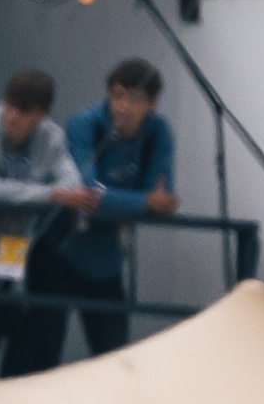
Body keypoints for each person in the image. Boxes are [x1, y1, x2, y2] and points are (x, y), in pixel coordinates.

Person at [0, 66, 98, 378]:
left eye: (24, 110)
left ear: (41, 115)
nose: (12, 115)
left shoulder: (51, 136)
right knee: (16, 325)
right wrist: (52, 196)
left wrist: (53, 196)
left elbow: (72, 183)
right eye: (10, 104)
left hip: (10, 242)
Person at [53, 57, 180, 354]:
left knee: (113, 354)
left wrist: (133, 202)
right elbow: (87, 194)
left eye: (134, 99)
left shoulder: (158, 132)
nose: (123, 106)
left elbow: (164, 198)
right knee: (42, 353)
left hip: (107, 259)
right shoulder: (85, 124)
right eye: (117, 96)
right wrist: (142, 202)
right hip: (58, 251)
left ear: (152, 104)